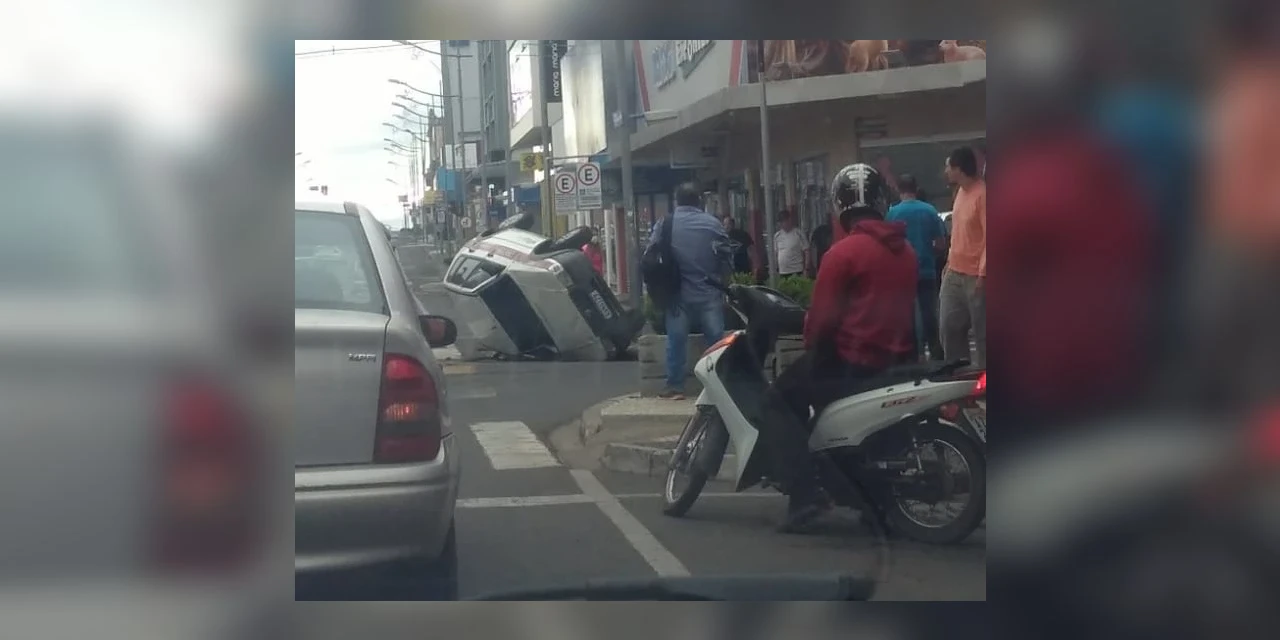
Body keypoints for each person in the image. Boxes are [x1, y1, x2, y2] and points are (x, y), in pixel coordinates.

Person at [763, 163, 918, 532]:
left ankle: (804, 497)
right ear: (881, 202)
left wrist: (812, 347)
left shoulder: (843, 254)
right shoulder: (906, 251)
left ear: (839, 205)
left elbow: (821, 322)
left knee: (777, 402)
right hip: (897, 361)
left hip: (852, 362)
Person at [648, 183, 732, 400]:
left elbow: (651, 253)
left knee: (676, 340)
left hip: (678, 294)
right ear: (699, 201)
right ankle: (718, 386)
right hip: (709, 292)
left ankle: (675, 386)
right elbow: (726, 257)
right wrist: (724, 286)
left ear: (677, 201)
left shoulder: (665, 223)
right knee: (715, 341)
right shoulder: (713, 224)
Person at [886, 174, 947, 360]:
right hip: (926, 270)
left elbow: (887, 244)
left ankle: (914, 355)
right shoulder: (929, 210)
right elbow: (941, 244)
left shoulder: (892, 213)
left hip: (902, 274)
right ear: (916, 188)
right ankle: (937, 354)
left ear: (899, 189)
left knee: (907, 315)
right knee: (929, 313)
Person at [939, 146, 986, 368]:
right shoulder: (959, 193)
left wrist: (983, 274)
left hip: (977, 276)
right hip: (954, 272)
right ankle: (957, 377)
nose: (946, 171)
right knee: (949, 327)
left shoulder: (983, 195)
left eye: (948, 166)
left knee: (983, 333)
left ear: (959, 168)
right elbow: (958, 232)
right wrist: (948, 263)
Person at [774, 210, 809, 278]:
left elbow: (806, 251)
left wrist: (806, 268)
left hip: (797, 270)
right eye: (779, 222)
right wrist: (776, 268)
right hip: (782, 271)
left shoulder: (798, 234)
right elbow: (776, 253)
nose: (781, 224)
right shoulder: (777, 236)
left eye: (783, 221)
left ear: (789, 220)